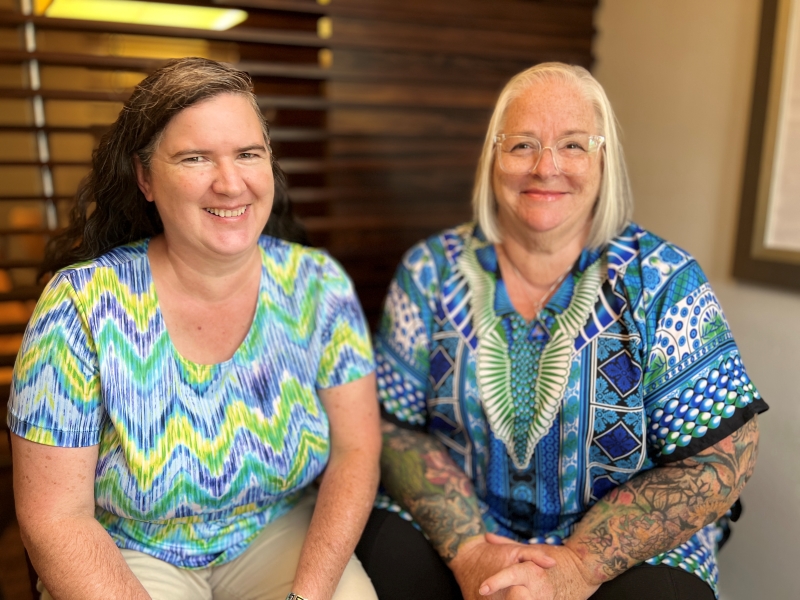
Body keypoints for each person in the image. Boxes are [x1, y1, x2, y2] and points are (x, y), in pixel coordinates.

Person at [354, 62, 767, 600]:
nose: (546, 167)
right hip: (458, 525)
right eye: (522, 144)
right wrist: (471, 550)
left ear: (603, 159)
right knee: (378, 564)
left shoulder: (663, 280)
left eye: (573, 145)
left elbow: (722, 459)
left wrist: (579, 565)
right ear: (493, 157)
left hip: (623, 545)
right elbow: (392, 430)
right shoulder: (430, 270)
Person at [8, 57, 380, 600]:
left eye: (248, 154)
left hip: (277, 532)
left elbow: (357, 452)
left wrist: (307, 596)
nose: (230, 184)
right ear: (145, 177)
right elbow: (54, 517)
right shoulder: (79, 304)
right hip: (130, 551)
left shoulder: (317, 285)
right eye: (195, 157)